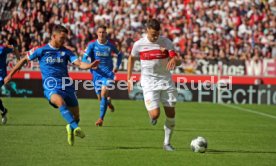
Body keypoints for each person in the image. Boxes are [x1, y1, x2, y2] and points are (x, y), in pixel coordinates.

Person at [4, 25, 100, 146]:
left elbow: (80, 64)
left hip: (66, 85)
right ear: (54, 36)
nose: (63, 40)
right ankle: (76, 128)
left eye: (65, 38)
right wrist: (10, 75)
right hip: (51, 86)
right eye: (61, 38)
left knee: (76, 115)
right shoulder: (41, 50)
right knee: (60, 102)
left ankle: (70, 127)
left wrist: (90, 65)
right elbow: (23, 60)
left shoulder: (66, 51)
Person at [127, 19, 181, 151]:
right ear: (147, 31)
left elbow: (177, 60)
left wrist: (173, 59)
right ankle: (152, 116)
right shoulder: (139, 44)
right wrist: (128, 77)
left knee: (171, 114)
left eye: (157, 34)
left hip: (166, 81)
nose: (155, 37)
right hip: (149, 82)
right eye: (152, 34)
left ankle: (167, 143)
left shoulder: (166, 42)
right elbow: (131, 58)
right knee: (155, 114)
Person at [82, 25, 123, 127]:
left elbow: (120, 55)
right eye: (100, 32)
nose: (101, 34)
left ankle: (101, 119)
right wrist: (90, 65)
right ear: (97, 33)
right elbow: (84, 58)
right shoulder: (92, 45)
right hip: (96, 74)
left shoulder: (110, 45)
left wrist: (117, 66)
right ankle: (108, 102)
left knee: (104, 92)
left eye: (103, 32)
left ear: (106, 33)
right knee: (101, 99)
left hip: (108, 74)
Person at [0, 43, 20, 125]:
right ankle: (3, 110)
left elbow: (15, 48)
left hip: (1, 75)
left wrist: (19, 60)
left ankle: (4, 110)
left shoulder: (2, 48)